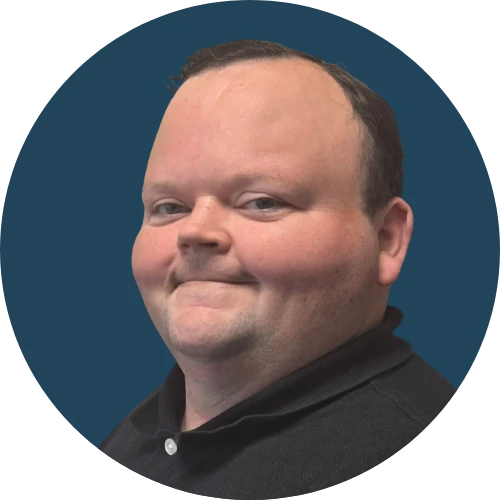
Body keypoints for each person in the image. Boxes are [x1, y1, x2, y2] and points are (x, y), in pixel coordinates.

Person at [99, 40, 456, 497]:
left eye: (262, 202)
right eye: (169, 207)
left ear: (386, 239)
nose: (194, 231)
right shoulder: (133, 436)